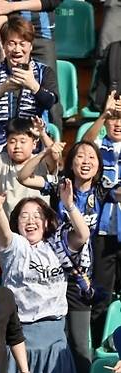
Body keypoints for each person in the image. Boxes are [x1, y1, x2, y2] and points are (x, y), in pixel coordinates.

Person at [0, 187, 87, 373]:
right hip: (20, 340)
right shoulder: (15, 246)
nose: (30, 221)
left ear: (46, 222)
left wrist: (69, 205)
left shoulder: (57, 246)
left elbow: (83, 234)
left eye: (36, 215)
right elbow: (3, 234)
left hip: (55, 339)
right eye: (24, 216)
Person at [19, 138, 112, 373]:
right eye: (80, 156)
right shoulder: (60, 186)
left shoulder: (103, 190)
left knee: (81, 344)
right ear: (70, 162)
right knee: (57, 342)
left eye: (91, 157)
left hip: (83, 279)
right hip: (53, 274)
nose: (86, 161)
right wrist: (45, 153)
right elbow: (23, 177)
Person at [0, 16, 58, 154]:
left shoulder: (44, 72)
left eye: (22, 43)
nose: (17, 49)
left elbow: (50, 102)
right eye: (11, 43)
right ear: (3, 45)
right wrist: (2, 88)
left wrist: (33, 85)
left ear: (31, 46)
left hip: (33, 144)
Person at [82, 100, 121, 351]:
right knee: (101, 297)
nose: (117, 123)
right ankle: (98, 347)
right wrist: (102, 114)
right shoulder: (99, 147)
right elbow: (84, 144)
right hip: (104, 232)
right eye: (113, 118)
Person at [0, 0, 63, 130]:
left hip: (43, 36)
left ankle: (54, 144)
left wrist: (12, 6)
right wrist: (2, 48)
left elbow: (51, 2)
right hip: (12, 36)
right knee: (11, 89)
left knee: (49, 96)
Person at [0, 108, 55, 215]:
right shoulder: (2, 161)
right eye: (12, 141)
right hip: (10, 228)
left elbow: (54, 155)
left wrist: (43, 134)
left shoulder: (41, 161)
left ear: (34, 143)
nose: (17, 146)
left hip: (38, 226)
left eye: (23, 141)